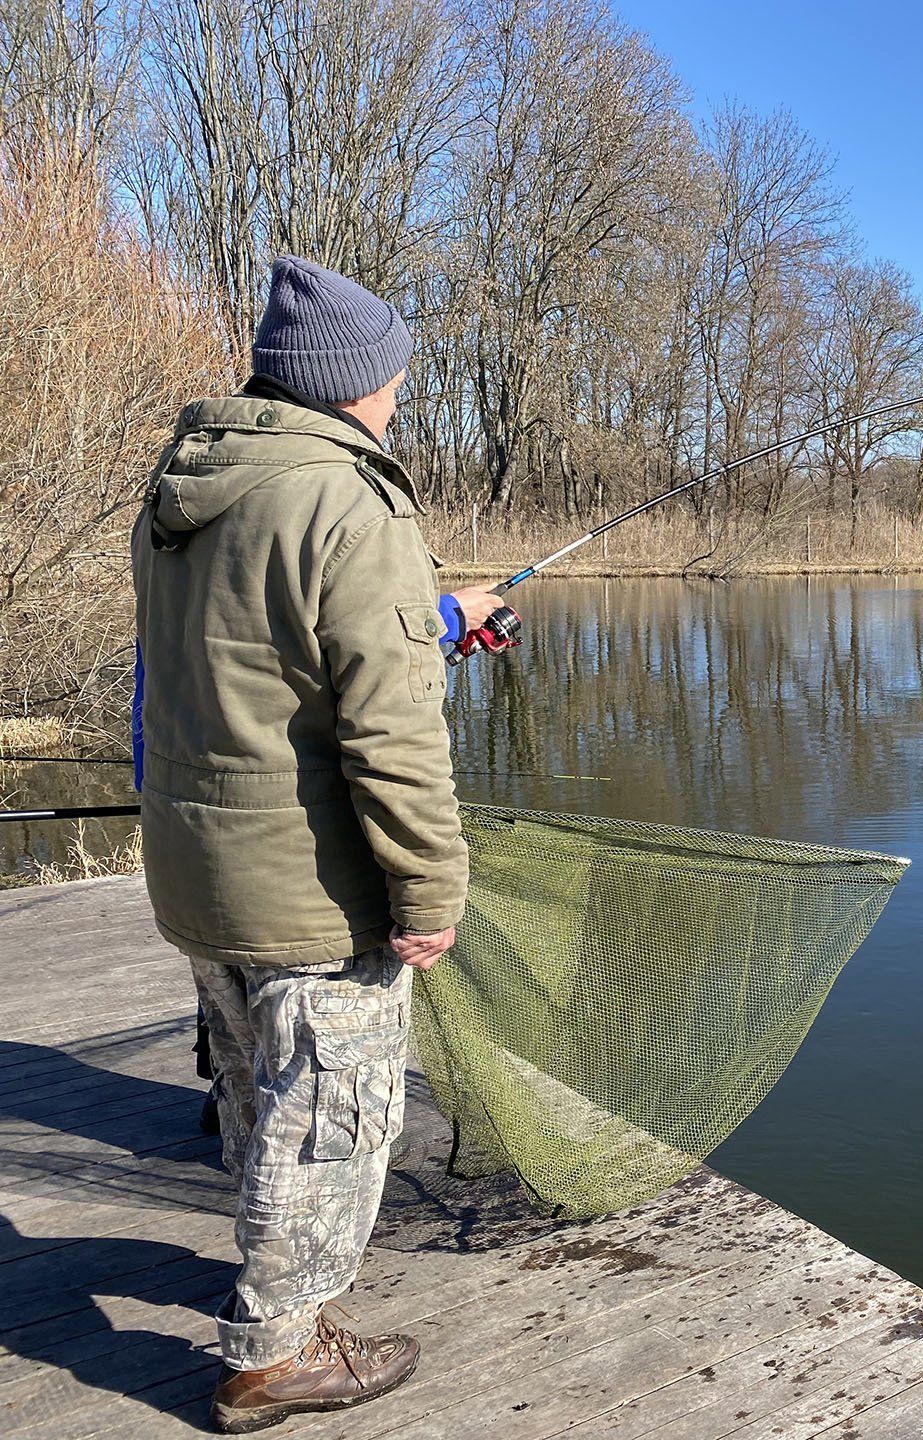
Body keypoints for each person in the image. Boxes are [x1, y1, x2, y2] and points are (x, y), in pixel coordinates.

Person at [131, 255, 497, 1433]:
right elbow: (391, 731)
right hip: (309, 888)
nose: (399, 395)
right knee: (331, 1117)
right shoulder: (351, 501)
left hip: (198, 868)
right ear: (352, 382)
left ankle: (272, 1289)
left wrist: (438, 620)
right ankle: (274, 1354)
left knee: (256, 1093)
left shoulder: (182, 489)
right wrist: (430, 888)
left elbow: (251, 664)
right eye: (393, 375)